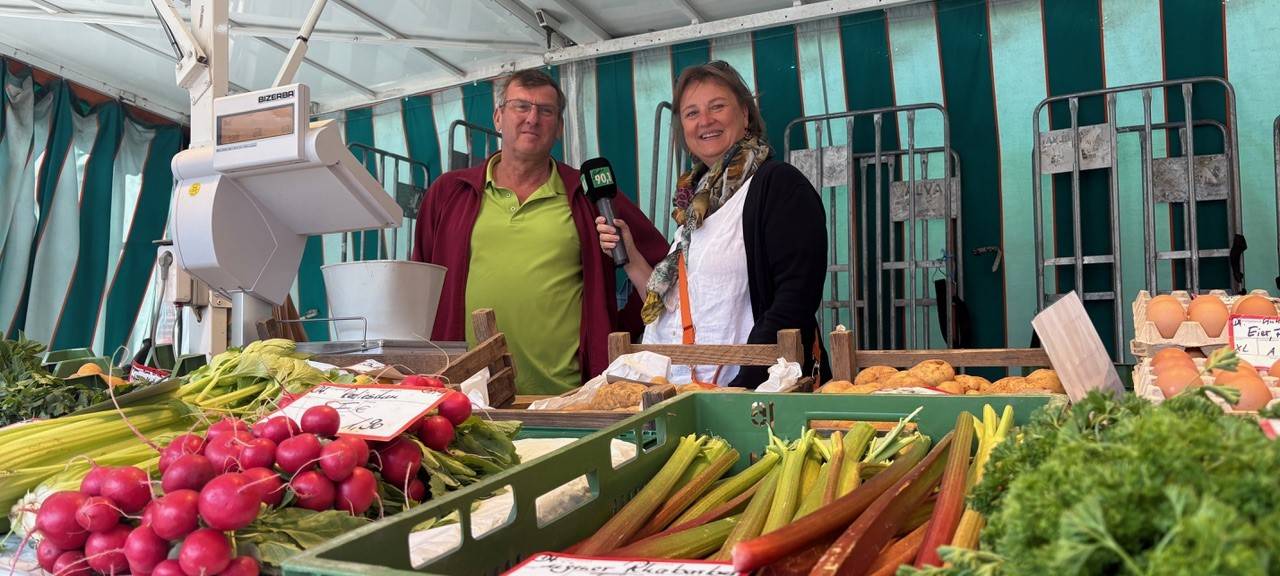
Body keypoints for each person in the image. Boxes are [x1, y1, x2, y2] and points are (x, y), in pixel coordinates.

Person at [413, 69, 669, 395]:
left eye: (546, 111)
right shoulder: (449, 192)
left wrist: (619, 327)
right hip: (465, 395)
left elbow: (663, 266)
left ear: (559, 127)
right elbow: (420, 283)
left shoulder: (587, 193)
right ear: (498, 117)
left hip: (564, 395)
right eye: (521, 106)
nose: (532, 118)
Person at [597, 61, 829, 388]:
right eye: (692, 113)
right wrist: (632, 257)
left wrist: (743, 387)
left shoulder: (778, 185)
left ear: (746, 115)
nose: (705, 121)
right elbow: (675, 305)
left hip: (750, 394)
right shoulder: (697, 203)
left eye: (717, 107)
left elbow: (794, 300)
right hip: (685, 391)